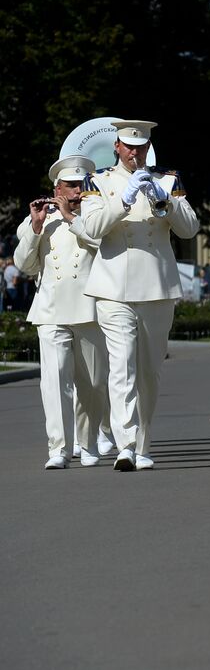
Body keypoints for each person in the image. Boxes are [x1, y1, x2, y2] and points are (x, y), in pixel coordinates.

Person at [77, 119, 200, 470]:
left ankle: (143, 443)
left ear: (148, 148)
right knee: (121, 366)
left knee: (149, 371)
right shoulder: (97, 181)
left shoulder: (169, 180)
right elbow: (93, 228)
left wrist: (166, 200)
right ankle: (126, 446)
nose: (135, 152)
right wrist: (124, 199)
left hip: (156, 287)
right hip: (113, 287)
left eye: (141, 147)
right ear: (117, 147)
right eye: (129, 146)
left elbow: (190, 229)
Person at [14, 155, 108, 469]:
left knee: (92, 383)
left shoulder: (95, 214)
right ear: (57, 187)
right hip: (51, 309)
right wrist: (37, 227)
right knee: (54, 382)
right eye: (70, 185)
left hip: (88, 307)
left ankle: (88, 442)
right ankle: (59, 448)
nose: (77, 190)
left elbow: (103, 246)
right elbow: (24, 265)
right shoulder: (39, 218)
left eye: (81, 184)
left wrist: (73, 219)